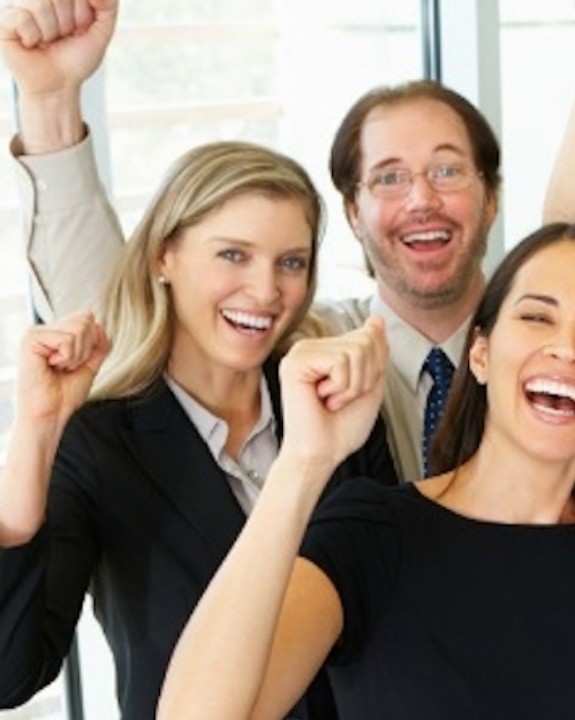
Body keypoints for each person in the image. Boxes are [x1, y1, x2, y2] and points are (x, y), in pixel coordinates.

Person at [3, 0, 575, 481]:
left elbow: (574, 258)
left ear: (491, 196)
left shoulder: (537, 348)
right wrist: (51, 105)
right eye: (389, 178)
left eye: (447, 171)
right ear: (353, 212)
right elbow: (122, 321)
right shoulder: (304, 351)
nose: (421, 199)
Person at [156, 222, 575, 720]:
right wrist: (302, 463)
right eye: (537, 318)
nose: (567, 348)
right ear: (480, 352)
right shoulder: (372, 537)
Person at [0, 142, 396, 719]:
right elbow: (10, 674)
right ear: (164, 256)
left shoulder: (334, 410)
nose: (266, 291)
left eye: (291, 262)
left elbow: (396, 617)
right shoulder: (100, 442)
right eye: (234, 255)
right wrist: (36, 431)